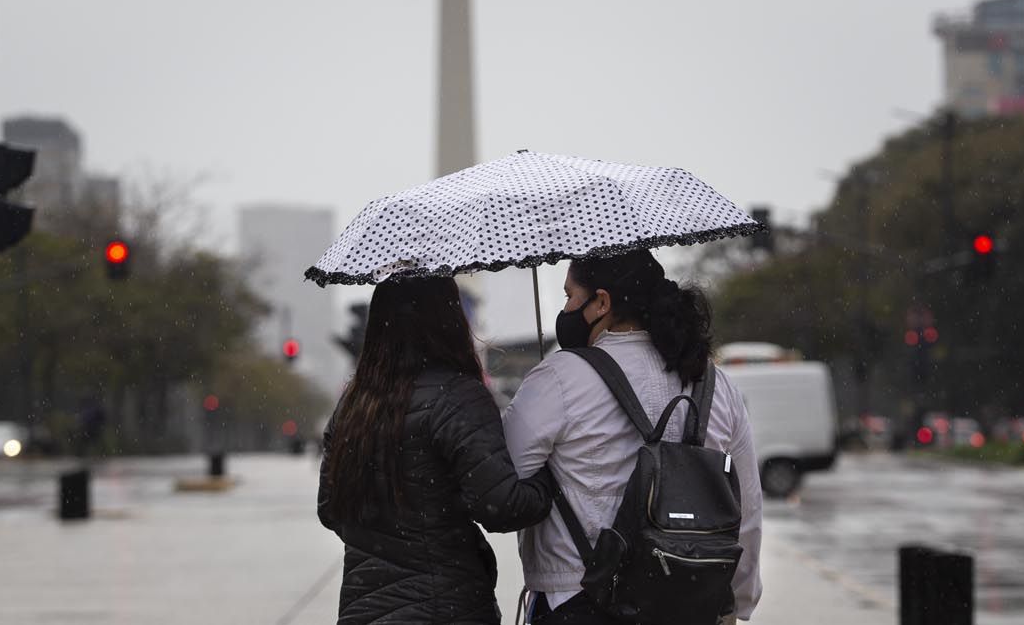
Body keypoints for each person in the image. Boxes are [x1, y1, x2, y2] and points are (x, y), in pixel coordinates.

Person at [503, 251, 762, 624]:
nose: (566, 308)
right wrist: (736, 603)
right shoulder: (715, 384)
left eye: (569, 296)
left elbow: (507, 480)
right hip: (691, 604)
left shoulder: (558, 378)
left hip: (578, 600)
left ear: (601, 303)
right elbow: (746, 509)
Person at [318, 276, 555, 624]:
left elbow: (330, 509)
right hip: (445, 608)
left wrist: (388, 533)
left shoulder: (353, 406)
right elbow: (502, 507)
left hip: (363, 611)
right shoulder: (458, 397)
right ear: (449, 320)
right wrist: (549, 476)